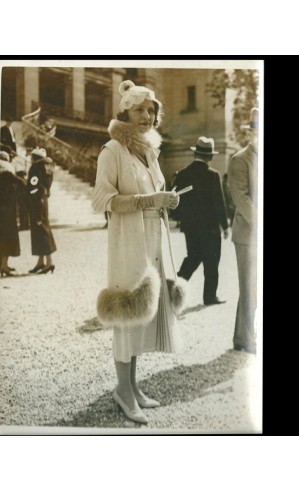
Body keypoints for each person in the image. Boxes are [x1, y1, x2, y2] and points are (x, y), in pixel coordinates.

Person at [92, 80, 186, 425]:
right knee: (127, 315)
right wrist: (147, 201)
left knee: (143, 313)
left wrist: (166, 200)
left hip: (153, 239)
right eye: (140, 110)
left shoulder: (148, 151)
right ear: (124, 113)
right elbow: (101, 200)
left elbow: (154, 193)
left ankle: (132, 384)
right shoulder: (112, 151)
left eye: (151, 110)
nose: (148, 116)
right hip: (128, 240)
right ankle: (122, 390)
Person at [172, 136, 229, 305]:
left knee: (193, 257)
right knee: (211, 262)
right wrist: (225, 226)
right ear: (210, 157)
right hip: (210, 228)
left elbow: (175, 201)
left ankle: (175, 289)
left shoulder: (182, 174)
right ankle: (209, 297)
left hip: (190, 226)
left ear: (195, 153)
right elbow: (220, 202)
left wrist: (181, 218)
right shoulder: (213, 175)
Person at [228, 107, 259, 354]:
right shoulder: (240, 160)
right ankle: (246, 340)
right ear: (250, 134)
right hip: (249, 234)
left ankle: (243, 336)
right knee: (249, 287)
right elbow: (241, 198)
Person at [27, 148, 57, 274]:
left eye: (31, 157)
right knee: (43, 229)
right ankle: (41, 262)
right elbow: (46, 186)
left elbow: (33, 187)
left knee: (40, 230)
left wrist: (27, 193)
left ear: (35, 158)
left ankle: (49, 262)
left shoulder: (35, 168)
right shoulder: (48, 168)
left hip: (36, 202)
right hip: (43, 201)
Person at [0, 151, 25, 276]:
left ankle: (1, 265)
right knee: (8, 237)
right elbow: (21, 183)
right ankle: (4, 266)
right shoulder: (8, 171)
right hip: (8, 208)